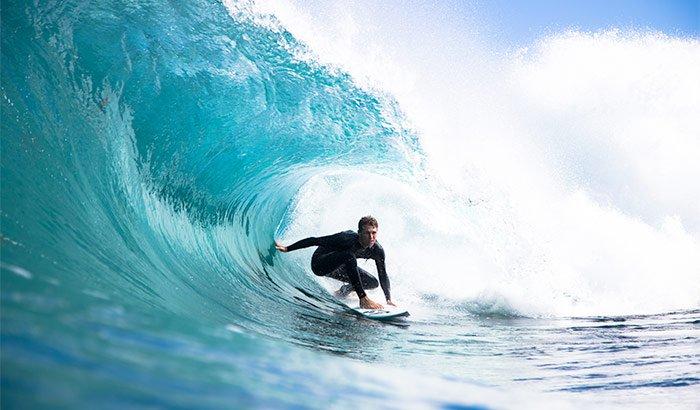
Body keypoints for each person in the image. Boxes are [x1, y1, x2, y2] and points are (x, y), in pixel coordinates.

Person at [275, 215, 395, 310]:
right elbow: (314, 241)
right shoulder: (345, 239)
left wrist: (388, 299)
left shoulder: (377, 250)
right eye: (367, 233)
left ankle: (344, 291)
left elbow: (382, 274)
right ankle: (363, 298)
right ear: (359, 233)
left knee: (372, 282)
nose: (371, 237)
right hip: (320, 264)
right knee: (349, 256)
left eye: (374, 233)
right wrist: (287, 248)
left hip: (341, 266)